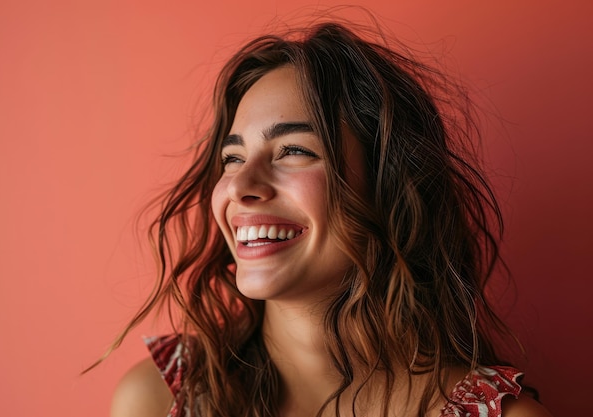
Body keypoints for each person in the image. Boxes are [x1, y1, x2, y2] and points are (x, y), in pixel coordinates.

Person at [108, 18, 552, 417]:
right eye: (233, 157)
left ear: (388, 187)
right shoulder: (159, 400)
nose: (241, 187)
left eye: (294, 151)